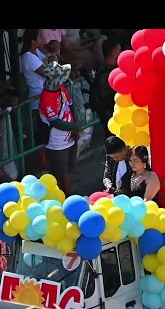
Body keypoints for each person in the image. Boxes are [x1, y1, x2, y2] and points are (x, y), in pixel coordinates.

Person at [38, 61, 85, 196]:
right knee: (59, 171)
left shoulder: (61, 89)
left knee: (71, 167)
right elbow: (55, 122)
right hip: (57, 141)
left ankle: (69, 193)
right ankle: (62, 196)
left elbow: (70, 105)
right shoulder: (46, 97)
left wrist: (75, 126)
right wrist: (74, 127)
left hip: (71, 135)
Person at [93, 38, 122, 135]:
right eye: (119, 50)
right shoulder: (107, 74)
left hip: (115, 115)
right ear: (113, 53)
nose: (121, 53)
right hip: (112, 116)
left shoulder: (108, 70)